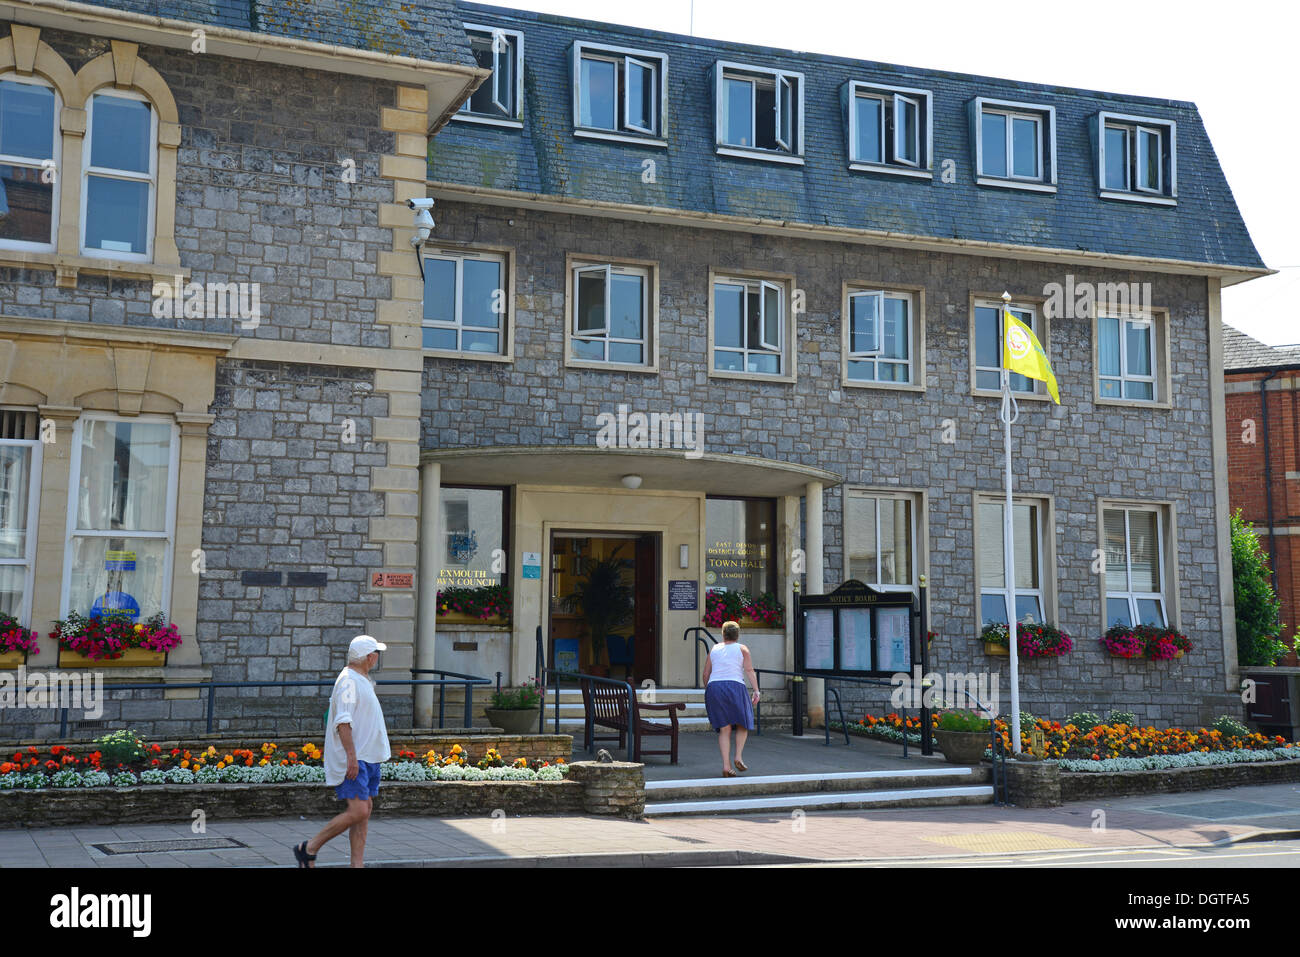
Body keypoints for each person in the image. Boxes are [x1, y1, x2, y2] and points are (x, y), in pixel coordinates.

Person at [295, 634, 390, 868]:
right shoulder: (348, 681)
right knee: (358, 810)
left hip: (368, 756)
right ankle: (309, 848)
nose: (378, 657)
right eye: (376, 653)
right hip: (357, 757)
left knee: (364, 810)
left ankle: (357, 864)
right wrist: (351, 757)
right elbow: (343, 721)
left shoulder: (362, 679)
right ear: (369, 656)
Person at [701, 619, 760, 777]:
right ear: (737, 635)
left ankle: (726, 767)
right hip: (735, 686)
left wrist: (709, 690)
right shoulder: (742, 649)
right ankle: (738, 756)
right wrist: (756, 690)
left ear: (723, 634)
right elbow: (749, 670)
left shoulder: (714, 648)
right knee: (743, 723)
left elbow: (705, 674)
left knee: (724, 729)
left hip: (715, 687)